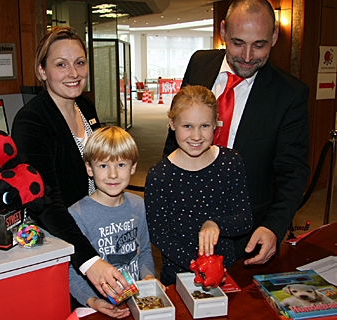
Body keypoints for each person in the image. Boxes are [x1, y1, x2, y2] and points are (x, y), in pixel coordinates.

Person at [163, 0, 310, 266]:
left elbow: (293, 172)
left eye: (260, 44)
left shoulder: (290, 95)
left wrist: (274, 228)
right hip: (183, 224)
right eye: (238, 42)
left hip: (245, 234)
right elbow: (177, 133)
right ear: (223, 32)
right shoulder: (199, 63)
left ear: (274, 36)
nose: (247, 55)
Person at [11, 26, 128, 299]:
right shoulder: (31, 121)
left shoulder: (85, 107)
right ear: (42, 71)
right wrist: (89, 261)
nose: (73, 73)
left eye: (79, 63)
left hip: (94, 230)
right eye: (60, 65)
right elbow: (46, 202)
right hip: (61, 240)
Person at [146, 85, 253, 286]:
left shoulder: (231, 162)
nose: (196, 136)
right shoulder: (160, 175)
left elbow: (245, 219)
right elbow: (158, 233)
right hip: (179, 273)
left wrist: (217, 224)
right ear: (172, 123)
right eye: (187, 126)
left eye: (204, 126)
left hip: (226, 270)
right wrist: (196, 264)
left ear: (215, 124)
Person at [69, 126, 161, 318]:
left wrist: (148, 277)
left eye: (121, 165)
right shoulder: (77, 214)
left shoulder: (138, 205)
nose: (113, 174)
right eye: (103, 166)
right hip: (97, 307)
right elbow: (71, 270)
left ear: (133, 167)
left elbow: (143, 251)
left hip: (135, 301)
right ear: (89, 168)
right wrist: (92, 300)